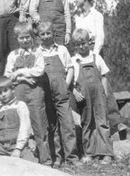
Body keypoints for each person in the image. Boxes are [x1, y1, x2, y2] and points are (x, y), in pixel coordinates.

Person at [73, 0, 126, 136]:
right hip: (81, 52)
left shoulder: (97, 15)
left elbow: (100, 38)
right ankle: (89, 123)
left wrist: (94, 56)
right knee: (82, 84)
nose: (74, 0)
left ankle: (116, 121)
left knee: (103, 84)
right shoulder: (77, 17)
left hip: (94, 51)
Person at [4, 22, 50, 165]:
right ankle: (22, 159)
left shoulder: (38, 52)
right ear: (17, 39)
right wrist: (22, 77)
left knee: (40, 125)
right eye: (21, 38)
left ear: (32, 37)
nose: (24, 40)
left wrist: (19, 71)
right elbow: (7, 75)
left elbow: (39, 70)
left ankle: (46, 160)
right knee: (20, 124)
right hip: (18, 93)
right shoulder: (13, 55)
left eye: (27, 37)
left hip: (35, 92)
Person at [36, 21, 80, 167]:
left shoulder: (61, 50)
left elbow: (70, 68)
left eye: (48, 33)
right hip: (46, 95)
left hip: (62, 94)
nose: (46, 36)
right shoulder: (38, 52)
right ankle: (57, 157)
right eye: (42, 34)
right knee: (51, 126)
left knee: (67, 124)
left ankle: (72, 158)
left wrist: (66, 85)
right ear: (39, 36)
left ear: (53, 33)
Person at [70, 28, 113, 165]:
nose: (81, 47)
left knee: (102, 122)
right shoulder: (73, 61)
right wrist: (75, 92)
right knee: (87, 123)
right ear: (75, 46)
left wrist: (105, 92)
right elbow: (70, 81)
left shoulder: (96, 57)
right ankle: (89, 153)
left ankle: (106, 153)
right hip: (83, 97)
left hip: (99, 95)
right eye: (78, 44)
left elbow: (104, 76)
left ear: (89, 42)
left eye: (84, 43)